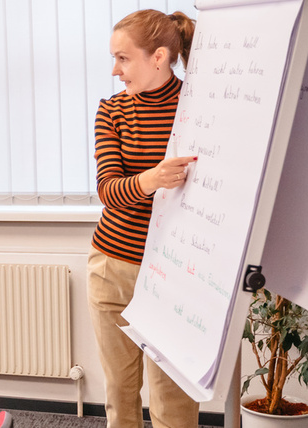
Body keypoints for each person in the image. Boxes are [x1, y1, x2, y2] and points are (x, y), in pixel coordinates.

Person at [90, 9, 198, 427]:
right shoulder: (112, 111)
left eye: (123, 58)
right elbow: (108, 191)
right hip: (112, 268)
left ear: (158, 57)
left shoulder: (197, 109)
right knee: (120, 392)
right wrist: (151, 179)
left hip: (174, 273)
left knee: (173, 400)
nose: (115, 70)